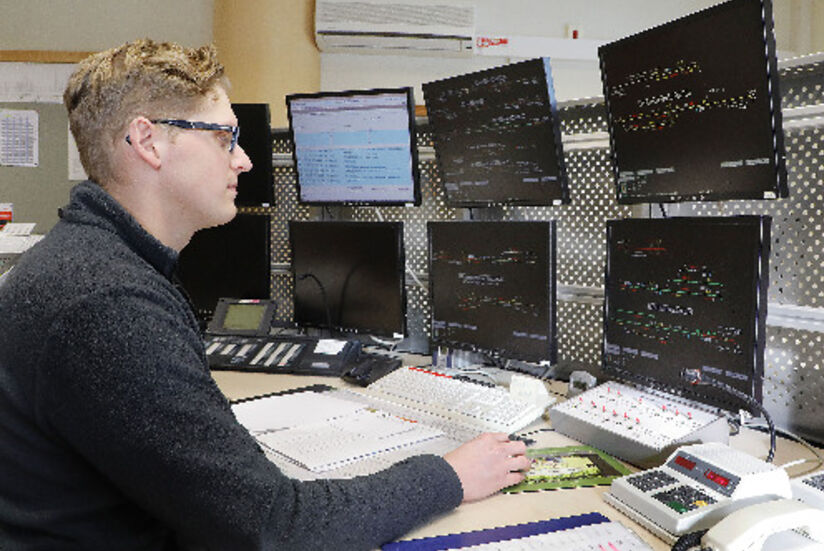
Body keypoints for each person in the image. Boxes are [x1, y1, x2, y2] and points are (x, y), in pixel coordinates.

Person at [0, 39, 530, 550]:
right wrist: (448, 476)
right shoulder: (108, 303)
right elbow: (275, 529)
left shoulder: (89, 263)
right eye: (224, 138)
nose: (245, 160)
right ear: (148, 141)